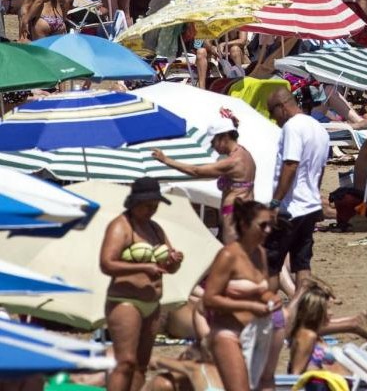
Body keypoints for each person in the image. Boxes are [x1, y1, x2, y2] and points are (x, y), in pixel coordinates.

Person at [100, 177, 184, 391]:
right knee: (125, 363)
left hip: (153, 303)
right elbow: (106, 263)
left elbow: (169, 269)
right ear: (135, 202)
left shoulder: (155, 228)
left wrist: (174, 261)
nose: (152, 210)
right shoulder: (121, 226)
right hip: (125, 301)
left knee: (141, 366)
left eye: (155, 206)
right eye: (148, 205)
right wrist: (142, 268)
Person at [202, 201, 279, 391]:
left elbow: (262, 290)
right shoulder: (228, 255)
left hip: (255, 331)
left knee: (264, 385)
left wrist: (271, 298)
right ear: (244, 225)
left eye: (270, 225)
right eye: (263, 225)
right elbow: (209, 299)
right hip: (227, 333)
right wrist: (250, 307)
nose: (268, 230)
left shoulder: (260, 253)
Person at [265, 88, 330, 297]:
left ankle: (269, 315)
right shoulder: (318, 127)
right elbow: (321, 169)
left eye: (271, 113)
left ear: (282, 107)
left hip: (290, 208)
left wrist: (275, 202)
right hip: (310, 205)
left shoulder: (292, 127)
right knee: (302, 264)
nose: (273, 120)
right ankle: (304, 311)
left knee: (271, 265)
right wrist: (315, 195)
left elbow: (291, 165)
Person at [152, 115, 256, 244]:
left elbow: (196, 171)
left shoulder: (233, 161)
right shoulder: (245, 153)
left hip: (233, 213)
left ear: (224, 137)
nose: (212, 146)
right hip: (245, 210)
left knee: (232, 254)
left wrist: (166, 160)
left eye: (213, 142)